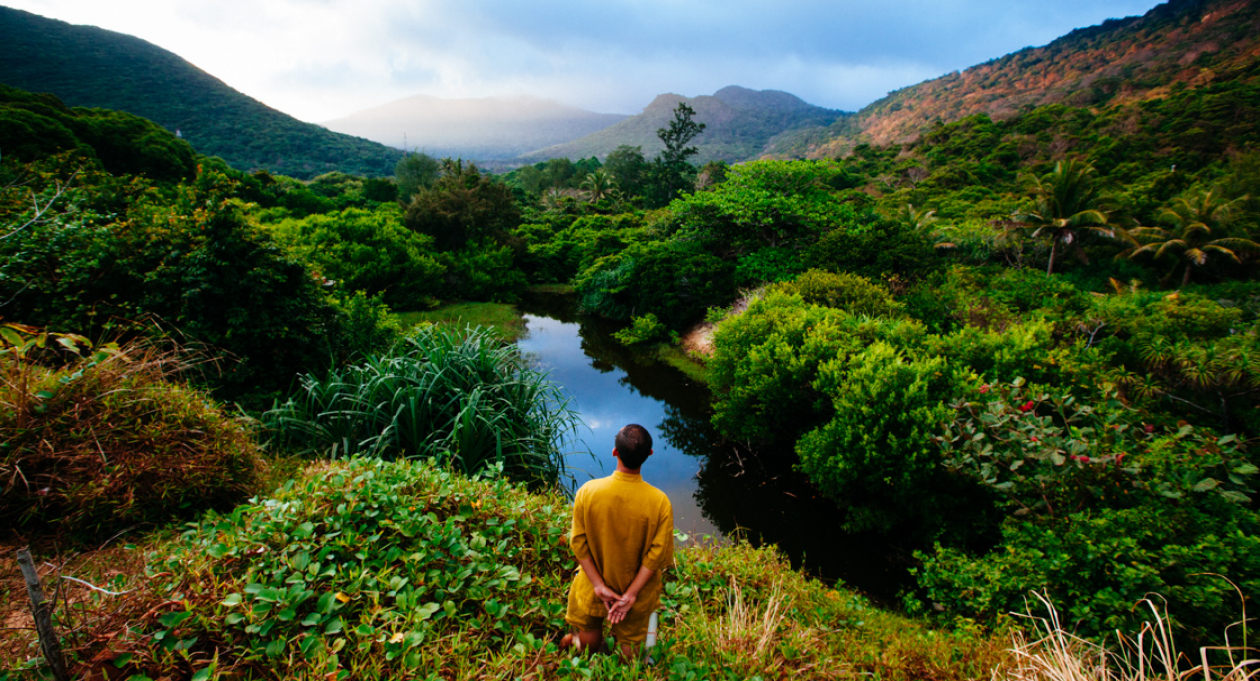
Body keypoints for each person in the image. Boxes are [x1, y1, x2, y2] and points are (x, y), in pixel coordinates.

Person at [561, 423, 674, 658]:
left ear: (615, 452)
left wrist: (599, 586)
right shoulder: (659, 501)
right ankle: (626, 663)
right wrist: (631, 594)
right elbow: (658, 555)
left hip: (594, 583)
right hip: (637, 590)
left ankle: (587, 652)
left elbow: (578, 544)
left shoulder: (588, 491)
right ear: (649, 455)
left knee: (589, 628)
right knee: (632, 642)